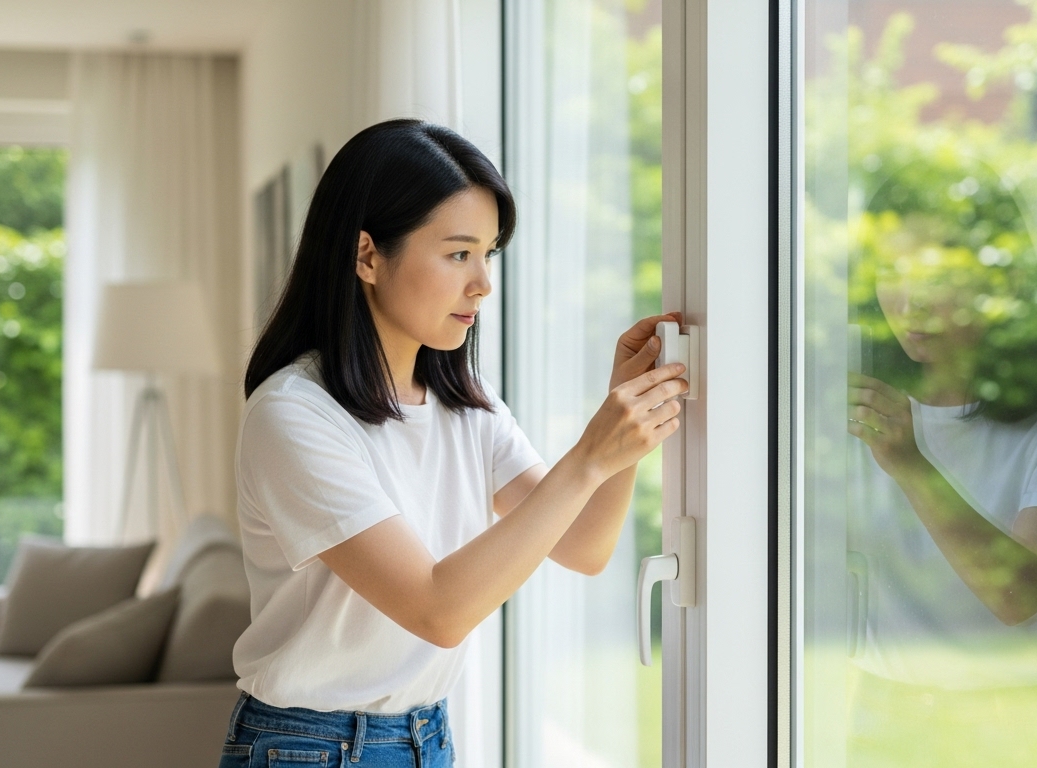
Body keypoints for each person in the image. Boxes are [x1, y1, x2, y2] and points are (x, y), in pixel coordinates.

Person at [217, 119, 686, 768]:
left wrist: (623, 430)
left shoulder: (467, 402)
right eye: (458, 253)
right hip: (308, 750)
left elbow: (584, 546)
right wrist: (590, 456)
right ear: (367, 255)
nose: (483, 284)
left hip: (426, 737)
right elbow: (438, 609)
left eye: (487, 254)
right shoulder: (294, 417)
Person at [844, 160, 1037, 767]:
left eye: (935, 273)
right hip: (888, 715)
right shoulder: (855, 411)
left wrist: (911, 465)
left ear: (1006, 280)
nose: (909, 300)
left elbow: (1018, 594)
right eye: (891, 270)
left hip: (1025, 717)